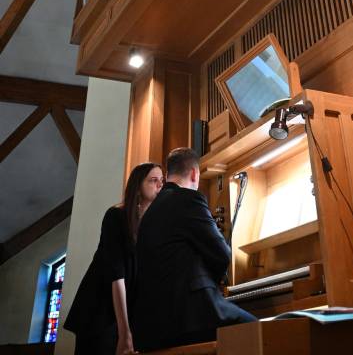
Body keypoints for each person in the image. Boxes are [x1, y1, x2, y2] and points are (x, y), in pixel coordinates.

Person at [132, 147, 255, 351]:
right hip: (187, 318)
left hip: (151, 326)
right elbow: (222, 254)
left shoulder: (150, 212)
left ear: (168, 174)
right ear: (194, 173)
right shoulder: (189, 199)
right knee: (257, 330)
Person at [63, 162, 164, 355]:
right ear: (138, 187)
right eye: (153, 180)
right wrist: (124, 332)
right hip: (99, 311)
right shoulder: (116, 216)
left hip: (126, 311)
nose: (160, 185)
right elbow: (117, 277)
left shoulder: (152, 225)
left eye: (162, 180)